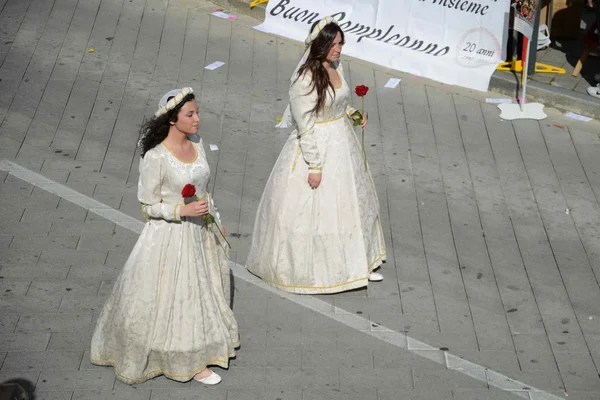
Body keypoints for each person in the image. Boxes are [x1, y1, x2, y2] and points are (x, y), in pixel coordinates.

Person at [90, 88, 239, 385]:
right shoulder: (156, 157)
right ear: (172, 120)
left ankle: (202, 348)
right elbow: (147, 205)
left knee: (201, 291)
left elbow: (205, 189)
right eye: (190, 114)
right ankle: (190, 361)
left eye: (197, 112)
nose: (198, 119)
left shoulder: (197, 144)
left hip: (200, 232)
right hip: (169, 237)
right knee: (180, 294)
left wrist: (215, 219)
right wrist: (181, 212)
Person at [245, 17, 387, 294]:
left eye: (341, 43)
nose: (339, 49)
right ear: (320, 45)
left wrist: (353, 114)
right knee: (317, 211)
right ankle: (323, 268)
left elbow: (338, 102)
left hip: (343, 141)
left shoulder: (336, 66)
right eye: (334, 44)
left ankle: (358, 262)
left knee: (352, 204)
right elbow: (305, 125)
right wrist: (315, 166)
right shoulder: (304, 80)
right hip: (319, 146)